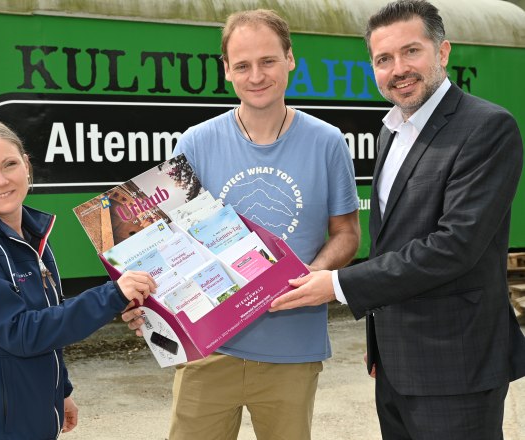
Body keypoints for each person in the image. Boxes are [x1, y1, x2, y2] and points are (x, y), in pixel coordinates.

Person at [269, 1, 525, 438]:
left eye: (412, 52)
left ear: (443, 52)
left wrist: (337, 283)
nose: (398, 69)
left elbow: (454, 246)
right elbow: (393, 241)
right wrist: (380, 348)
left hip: (457, 365)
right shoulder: (392, 129)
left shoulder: (487, 127)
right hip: (396, 363)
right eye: (383, 59)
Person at [123, 9, 360, 440]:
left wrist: (312, 274)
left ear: (290, 59)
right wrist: (144, 299)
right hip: (207, 347)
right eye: (243, 65)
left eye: (268, 61)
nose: (257, 75)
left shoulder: (327, 143)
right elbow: (164, 241)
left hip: (293, 348)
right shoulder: (194, 142)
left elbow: (347, 233)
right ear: (227, 70)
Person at [0, 112, 156, 440]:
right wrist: (112, 295)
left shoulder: (30, 234)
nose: (1, 181)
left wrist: (60, 390)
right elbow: (21, 332)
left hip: (28, 415)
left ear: (27, 165)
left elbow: (47, 317)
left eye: (9, 164)